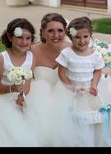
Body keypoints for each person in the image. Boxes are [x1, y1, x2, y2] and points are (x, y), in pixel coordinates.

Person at [0, 18, 39, 147]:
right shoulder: (1, 59)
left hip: (22, 96)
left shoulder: (32, 58)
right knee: (6, 134)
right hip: (1, 97)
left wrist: (22, 98)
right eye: (20, 38)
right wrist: (12, 89)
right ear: (10, 37)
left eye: (28, 38)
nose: (24, 42)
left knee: (27, 131)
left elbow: (28, 83)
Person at [52, 16, 106, 147]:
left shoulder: (95, 55)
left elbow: (98, 71)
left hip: (88, 91)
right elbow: (61, 72)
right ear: (71, 37)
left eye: (85, 37)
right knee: (73, 118)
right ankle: (74, 141)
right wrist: (70, 87)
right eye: (77, 37)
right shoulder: (67, 53)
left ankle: (90, 141)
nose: (82, 41)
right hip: (72, 90)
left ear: (90, 35)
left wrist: (94, 84)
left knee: (90, 118)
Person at [23, 13, 72, 146]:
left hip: (68, 94)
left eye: (60, 30)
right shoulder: (33, 50)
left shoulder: (72, 48)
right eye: (50, 31)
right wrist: (22, 95)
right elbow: (26, 76)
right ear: (43, 33)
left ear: (65, 31)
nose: (56, 35)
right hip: (41, 98)